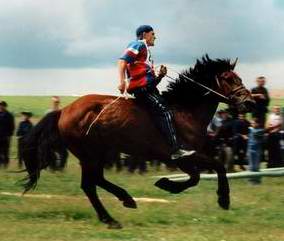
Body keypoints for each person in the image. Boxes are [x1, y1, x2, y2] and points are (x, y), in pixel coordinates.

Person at [118, 25, 194, 159]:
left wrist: (160, 76)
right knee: (164, 111)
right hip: (142, 89)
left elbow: (149, 82)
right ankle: (175, 149)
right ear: (144, 34)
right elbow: (122, 61)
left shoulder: (146, 52)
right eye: (152, 34)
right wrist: (122, 81)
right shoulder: (138, 44)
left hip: (147, 88)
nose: (155, 37)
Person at [0, 101, 15, 168]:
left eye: (2, 105)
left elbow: (12, 126)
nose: (1, 106)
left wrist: (9, 135)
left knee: (5, 150)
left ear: (5, 106)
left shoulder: (9, 115)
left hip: (6, 136)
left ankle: (6, 164)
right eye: (0, 105)